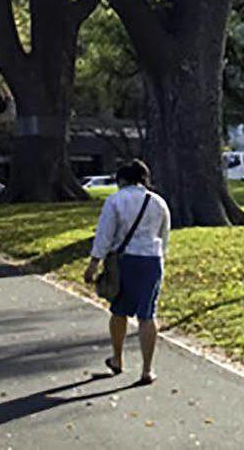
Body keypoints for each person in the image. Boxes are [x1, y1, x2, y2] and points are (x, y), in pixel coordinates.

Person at [83, 159, 171, 384]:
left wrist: (94, 264)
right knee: (147, 315)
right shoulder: (158, 202)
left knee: (119, 311)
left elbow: (105, 235)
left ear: (122, 179)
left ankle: (118, 358)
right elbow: (164, 235)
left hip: (125, 261)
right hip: (152, 260)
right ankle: (147, 370)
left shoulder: (116, 200)